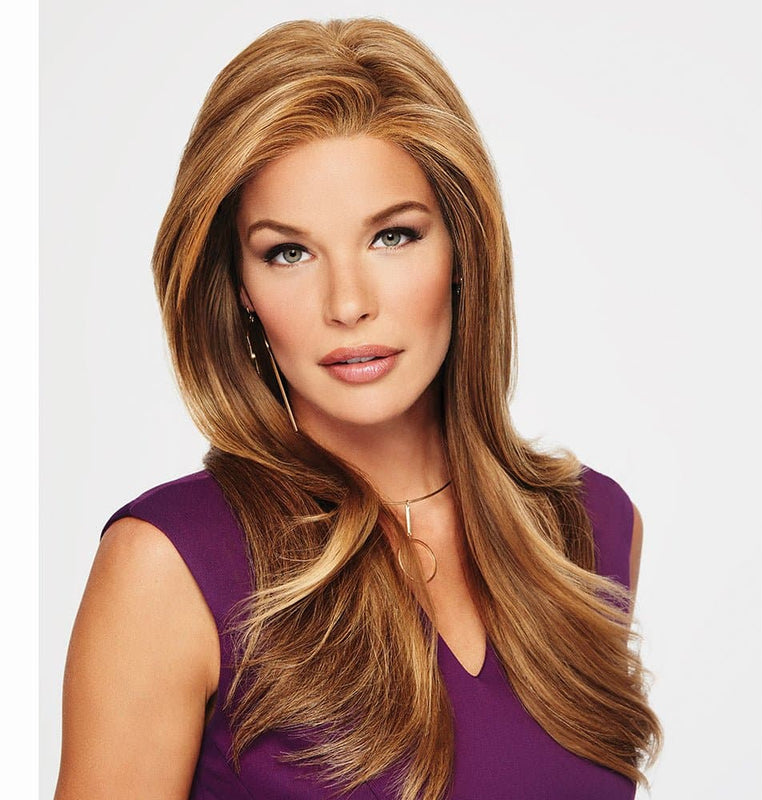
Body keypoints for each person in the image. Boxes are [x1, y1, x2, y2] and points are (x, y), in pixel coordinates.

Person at [55, 17, 661, 800]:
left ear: (462, 247)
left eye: (393, 237)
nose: (347, 303)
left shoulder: (589, 530)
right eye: (289, 252)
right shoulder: (169, 567)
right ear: (239, 287)